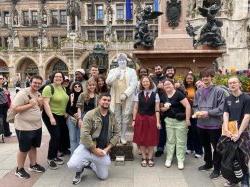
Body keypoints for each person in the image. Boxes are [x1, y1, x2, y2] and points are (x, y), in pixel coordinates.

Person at [67, 93, 121, 185]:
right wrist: (94, 149)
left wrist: (107, 149)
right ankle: (79, 170)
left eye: (108, 100)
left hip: (103, 148)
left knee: (103, 176)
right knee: (72, 164)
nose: (106, 102)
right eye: (104, 100)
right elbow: (84, 134)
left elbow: (117, 134)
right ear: (99, 101)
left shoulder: (112, 115)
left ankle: (91, 164)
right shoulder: (90, 114)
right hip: (87, 147)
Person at [193, 68, 225, 179]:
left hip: (214, 125)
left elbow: (222, 108)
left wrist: (208, 113)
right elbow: (195, 105)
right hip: (201, 124)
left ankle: (217, 169)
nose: (205, 78)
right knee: (205, 145)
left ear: (212, 77)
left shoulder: (219, 91)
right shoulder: (198, 91)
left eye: (207, 76)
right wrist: (197, 112)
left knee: (216, 147)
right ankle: (208, 163)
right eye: (203, 76)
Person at [12, 75, 45, 179]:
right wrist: (30, 105)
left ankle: (33, 164)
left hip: (36, 126)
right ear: (31, 82)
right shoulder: (23, 93)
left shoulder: (38, 93)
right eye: (35, 82)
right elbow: (15, 108)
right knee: (23, 149)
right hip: (24, 126)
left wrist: (40, 104)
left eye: (39, 83)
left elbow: (38, 109)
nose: (37, 85)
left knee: (33, 146)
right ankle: (19, 169)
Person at [222, 77, 250, 187]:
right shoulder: (227, 99)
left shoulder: (247, 98)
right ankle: (233, 179)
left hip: (243, 131)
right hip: (230, 131)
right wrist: (226, 129)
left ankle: (245, 180)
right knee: (231, 156)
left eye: (234, 82)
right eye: (230, 83)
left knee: (243, 156)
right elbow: (225, 114)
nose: (232, 84)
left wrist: (239, 133)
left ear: (239, 84)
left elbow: (247, 117)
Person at [106, 53, 137, 144]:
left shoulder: (132, 71)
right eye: (120, 60)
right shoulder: (113, 71)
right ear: (118, 62)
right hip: (116, 97)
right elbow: (108, 82)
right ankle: (118, 136)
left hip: (126, 98)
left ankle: (123, 136)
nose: (122, 62)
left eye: (123, 60)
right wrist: (116, 75)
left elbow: (133, 84)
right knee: (117, 118)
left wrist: (126, 94)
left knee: (125, 117)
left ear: (126, 61)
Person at [42, 71, 69, 169]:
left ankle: (55, 155)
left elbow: (64, 101)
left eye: (60, 77)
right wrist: (51, 117)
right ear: (52, 78)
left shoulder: (63, 88)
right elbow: (46, 103)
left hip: (61, 115)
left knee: (61, 135)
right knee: (55, 136)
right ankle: (50, 157)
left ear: (63, 78)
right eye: (56, 76)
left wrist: (65, 112)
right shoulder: (49, 88)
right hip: (50, 115)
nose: (58, 78)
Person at [162, 79, 191, 170]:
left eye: (169, 84)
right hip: (169, 121)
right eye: (165, 85)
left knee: (181, 141)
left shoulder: (178, 94)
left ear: (173, 85)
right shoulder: (163, 95)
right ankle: (169, 158)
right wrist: (165, 108)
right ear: (163, 87)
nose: (167, 86)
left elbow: (188, 106)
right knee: (170, 140)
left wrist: (187, 119)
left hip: (180, 121)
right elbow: (161, 109)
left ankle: (180, 160)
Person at [132, 76, 161, 167]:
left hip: (151, 118)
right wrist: (133, 120)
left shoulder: (155, 95)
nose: (145, 83)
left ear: (150, 82)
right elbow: (135, 108)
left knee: (151, 139)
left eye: (147, 81)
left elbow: (157, 109)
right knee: (141, 139)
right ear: (141, 84)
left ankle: (150, 158)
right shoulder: (138, 94)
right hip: (140, 119)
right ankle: (144, 158)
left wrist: (158, 122)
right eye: (143, 82)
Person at [184, 73, 203, 158]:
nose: (189, 80)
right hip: (187, 112)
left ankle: (198, 150)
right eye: (187, 78)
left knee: (196, 132)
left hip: (195, 112)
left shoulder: (197, 88)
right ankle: (189, 147)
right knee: (189, 131)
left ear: (194, 79)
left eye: (191, 78)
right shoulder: (183, 88)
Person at [66, 81, 83, 154]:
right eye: (75, 86)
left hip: (81, 119)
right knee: (72, 138)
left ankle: (79, 155)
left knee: (80, 137)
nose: (77, 88)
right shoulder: (71, 95)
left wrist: (80, 115)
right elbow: (67, 109)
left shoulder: (84, 96)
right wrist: (73, 114)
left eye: (79, 86)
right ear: (73, 87)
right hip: (72, 118)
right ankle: (73, 155)